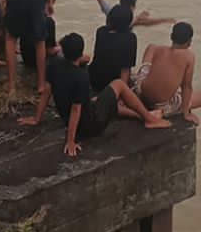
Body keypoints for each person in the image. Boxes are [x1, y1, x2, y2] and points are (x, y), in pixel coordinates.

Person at [18, 33, 171, 158]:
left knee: (103, 101)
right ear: (80, 52)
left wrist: (36, 118)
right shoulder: (81, 76)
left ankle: (145, 115)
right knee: (118, 84)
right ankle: (150, 119)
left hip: (73, 117)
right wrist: (70, 140)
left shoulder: (53, 66)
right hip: (90, 126)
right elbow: (76, 109)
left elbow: (46, 92)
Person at [131, 22, 201, 124]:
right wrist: (186, 113)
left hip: (141, 92)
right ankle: (160, 112)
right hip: (160, 104)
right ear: (189, 41)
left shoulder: (159, 50)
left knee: (151, 47)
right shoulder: (189, 56)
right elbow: (187, 87)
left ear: (171, 37)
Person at [88, 4, 137, 93]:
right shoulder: (130, 39)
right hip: (113, 84)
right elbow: (125, 69)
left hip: (94, 78)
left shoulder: (101, 31)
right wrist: (122, 92)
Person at [21, 0, 59, 67]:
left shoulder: (27, 12)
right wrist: (62, 48)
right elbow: (50, 51)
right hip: (38, 61)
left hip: (25, 57)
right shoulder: (49, 21)